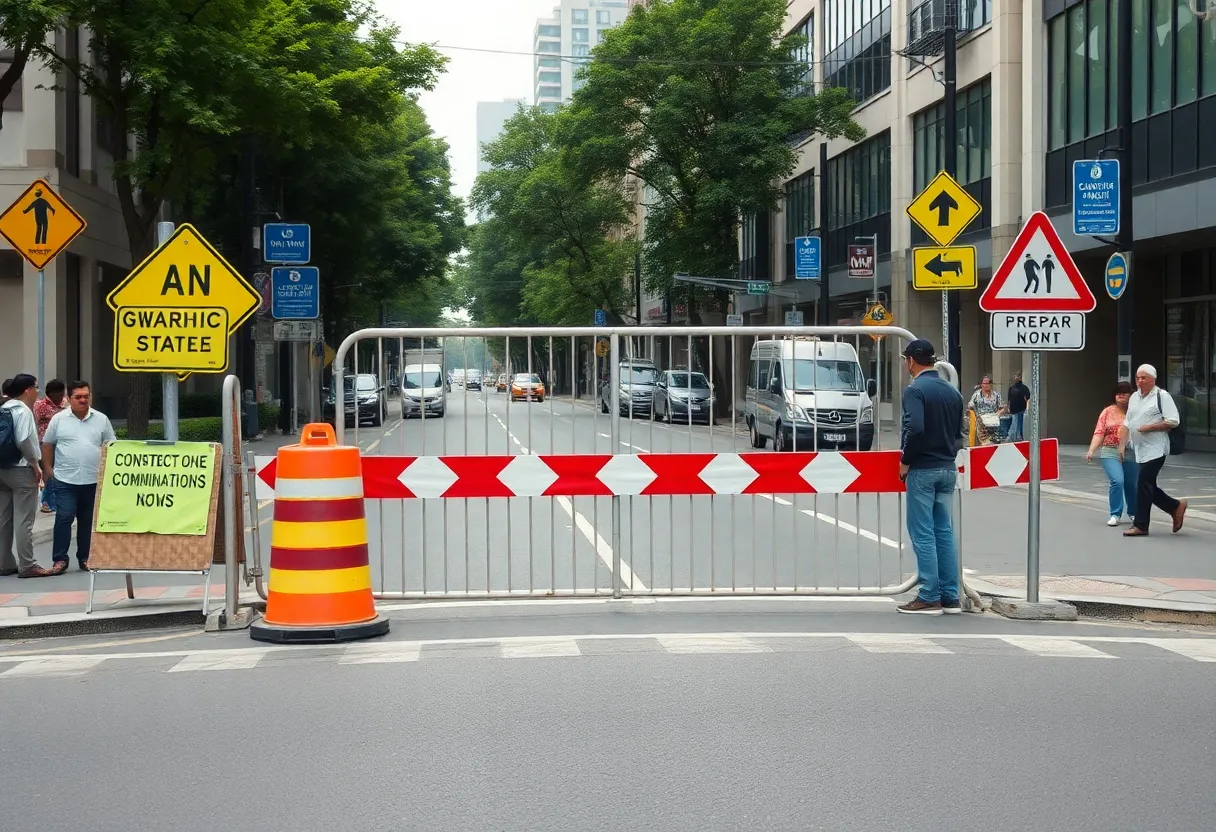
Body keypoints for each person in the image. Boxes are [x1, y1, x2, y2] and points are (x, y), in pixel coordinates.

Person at [898, 339, 965, 615]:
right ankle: (950, 596)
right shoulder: (953, 392)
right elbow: (960, 434)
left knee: (923, 532)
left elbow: (915, 429)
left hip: (923, 469)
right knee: (944, 532)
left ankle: (929, 595)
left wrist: (905, 460)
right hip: (948, 468)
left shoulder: (915, 390)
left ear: (911, 361)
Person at [41, 381, 116, 573]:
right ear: (69, 398)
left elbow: (111, 446)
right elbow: (47, 444)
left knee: (86, 521)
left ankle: (85, 558)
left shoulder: (101, 419)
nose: (83, 400)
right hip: (65, 479)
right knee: (64, 517)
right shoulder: (59, 419)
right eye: (78, 397)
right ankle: (60, 559)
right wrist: (47, 469)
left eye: (86, 396)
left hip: (93, 480)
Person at [1119, 364, 1187, 537]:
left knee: (1143, 484)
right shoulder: (1134, 397)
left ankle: (1141, 525)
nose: (1140, 381)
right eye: (1137, 378)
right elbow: (1127, 421)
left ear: (1153, 379)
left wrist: (1150, 427)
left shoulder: (1161, 396)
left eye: (1144, 378)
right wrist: (1121, 445)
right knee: (1147, 485)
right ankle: (1175, 506)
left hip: (1156, 448)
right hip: (1140, 449)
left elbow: (1173, 421)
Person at [0, 374, 52, 578]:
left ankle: (4, 563)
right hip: (21, 469)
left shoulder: (3, 408)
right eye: (36, 388)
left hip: (2, 468)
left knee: (3, 518)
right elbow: (24, 440)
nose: (37, 392)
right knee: (24, 520)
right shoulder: (23, 411)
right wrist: (34, 463)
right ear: (27, 390)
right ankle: (27, 564)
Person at [1086, 382, 1139, 527]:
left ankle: (1133, 512)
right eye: (1118, 393)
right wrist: (1091, 450)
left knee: (1131, 484)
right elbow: (1099, 432)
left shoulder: (1136, 411)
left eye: (1124, 393)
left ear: (1131, 395)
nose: (1121, 396)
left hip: (1131, 451)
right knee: (1117, 480)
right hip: (1110, 450)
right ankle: (1115, 514)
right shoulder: (1108, 411)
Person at [34, 379, 67, 513]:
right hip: (45, 444)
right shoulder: (40, 406)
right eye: (60, 394)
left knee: (59, 472)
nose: (62, 397)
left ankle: (56, 501)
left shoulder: (65, 404)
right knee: (48, 472)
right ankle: (46, 502)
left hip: (62, 443)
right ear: (51, 394)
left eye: (63, 394)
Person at [968, 374, 1004, 445]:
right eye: (985, 383)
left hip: (993, 425)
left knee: (994, 445)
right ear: (981, 384)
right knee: (982, 445)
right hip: (981, 425)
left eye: (989, 383)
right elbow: (970, 406)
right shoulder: (977, 394)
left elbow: (1002, 408)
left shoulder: (996, 395)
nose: (988, 385)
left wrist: (997, 415)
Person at [1005, 371, 1030, 441]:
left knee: (1020, 424)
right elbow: (1009, 398)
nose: (1016, 378)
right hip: (1014, 409)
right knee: (1014, 424)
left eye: (1017, 376)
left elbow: (1027, 398)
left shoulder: (1024, 388)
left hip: (1021, 408)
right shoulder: (1011, 388)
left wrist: (1027, 408)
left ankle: (1019, 437)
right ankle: (1013, 438)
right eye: (1015, 376)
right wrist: (1008, 407)